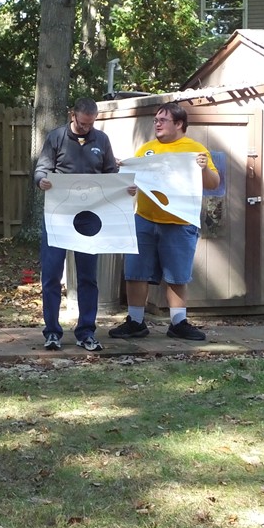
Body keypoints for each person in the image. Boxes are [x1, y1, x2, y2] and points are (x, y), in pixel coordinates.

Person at [109, 102, 220, 342]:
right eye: (156, 120)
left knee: (177, 276)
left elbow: (213, 184)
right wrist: (127, 181)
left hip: (179, 223)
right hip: (144, 220)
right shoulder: (147, 149)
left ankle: (178, 324)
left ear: (179, 124)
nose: (157, 124)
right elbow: (134, 181)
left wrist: (203, 169)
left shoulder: (195, 150)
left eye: (163, 120)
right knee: (135, 272)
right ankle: (135, 322)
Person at [33, 97, 119, 351]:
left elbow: (111, 174)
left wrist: (124, 188)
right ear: (73, 116)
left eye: (90, 124)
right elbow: (41, 169)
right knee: (51, 274)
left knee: (88, 276)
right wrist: (42, 180)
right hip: (58, 215)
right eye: (82, 124)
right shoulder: (56, 137)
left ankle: (86, 331)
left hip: (89, 217)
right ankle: (52, 332)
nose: (86, 128)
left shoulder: (101, 140)